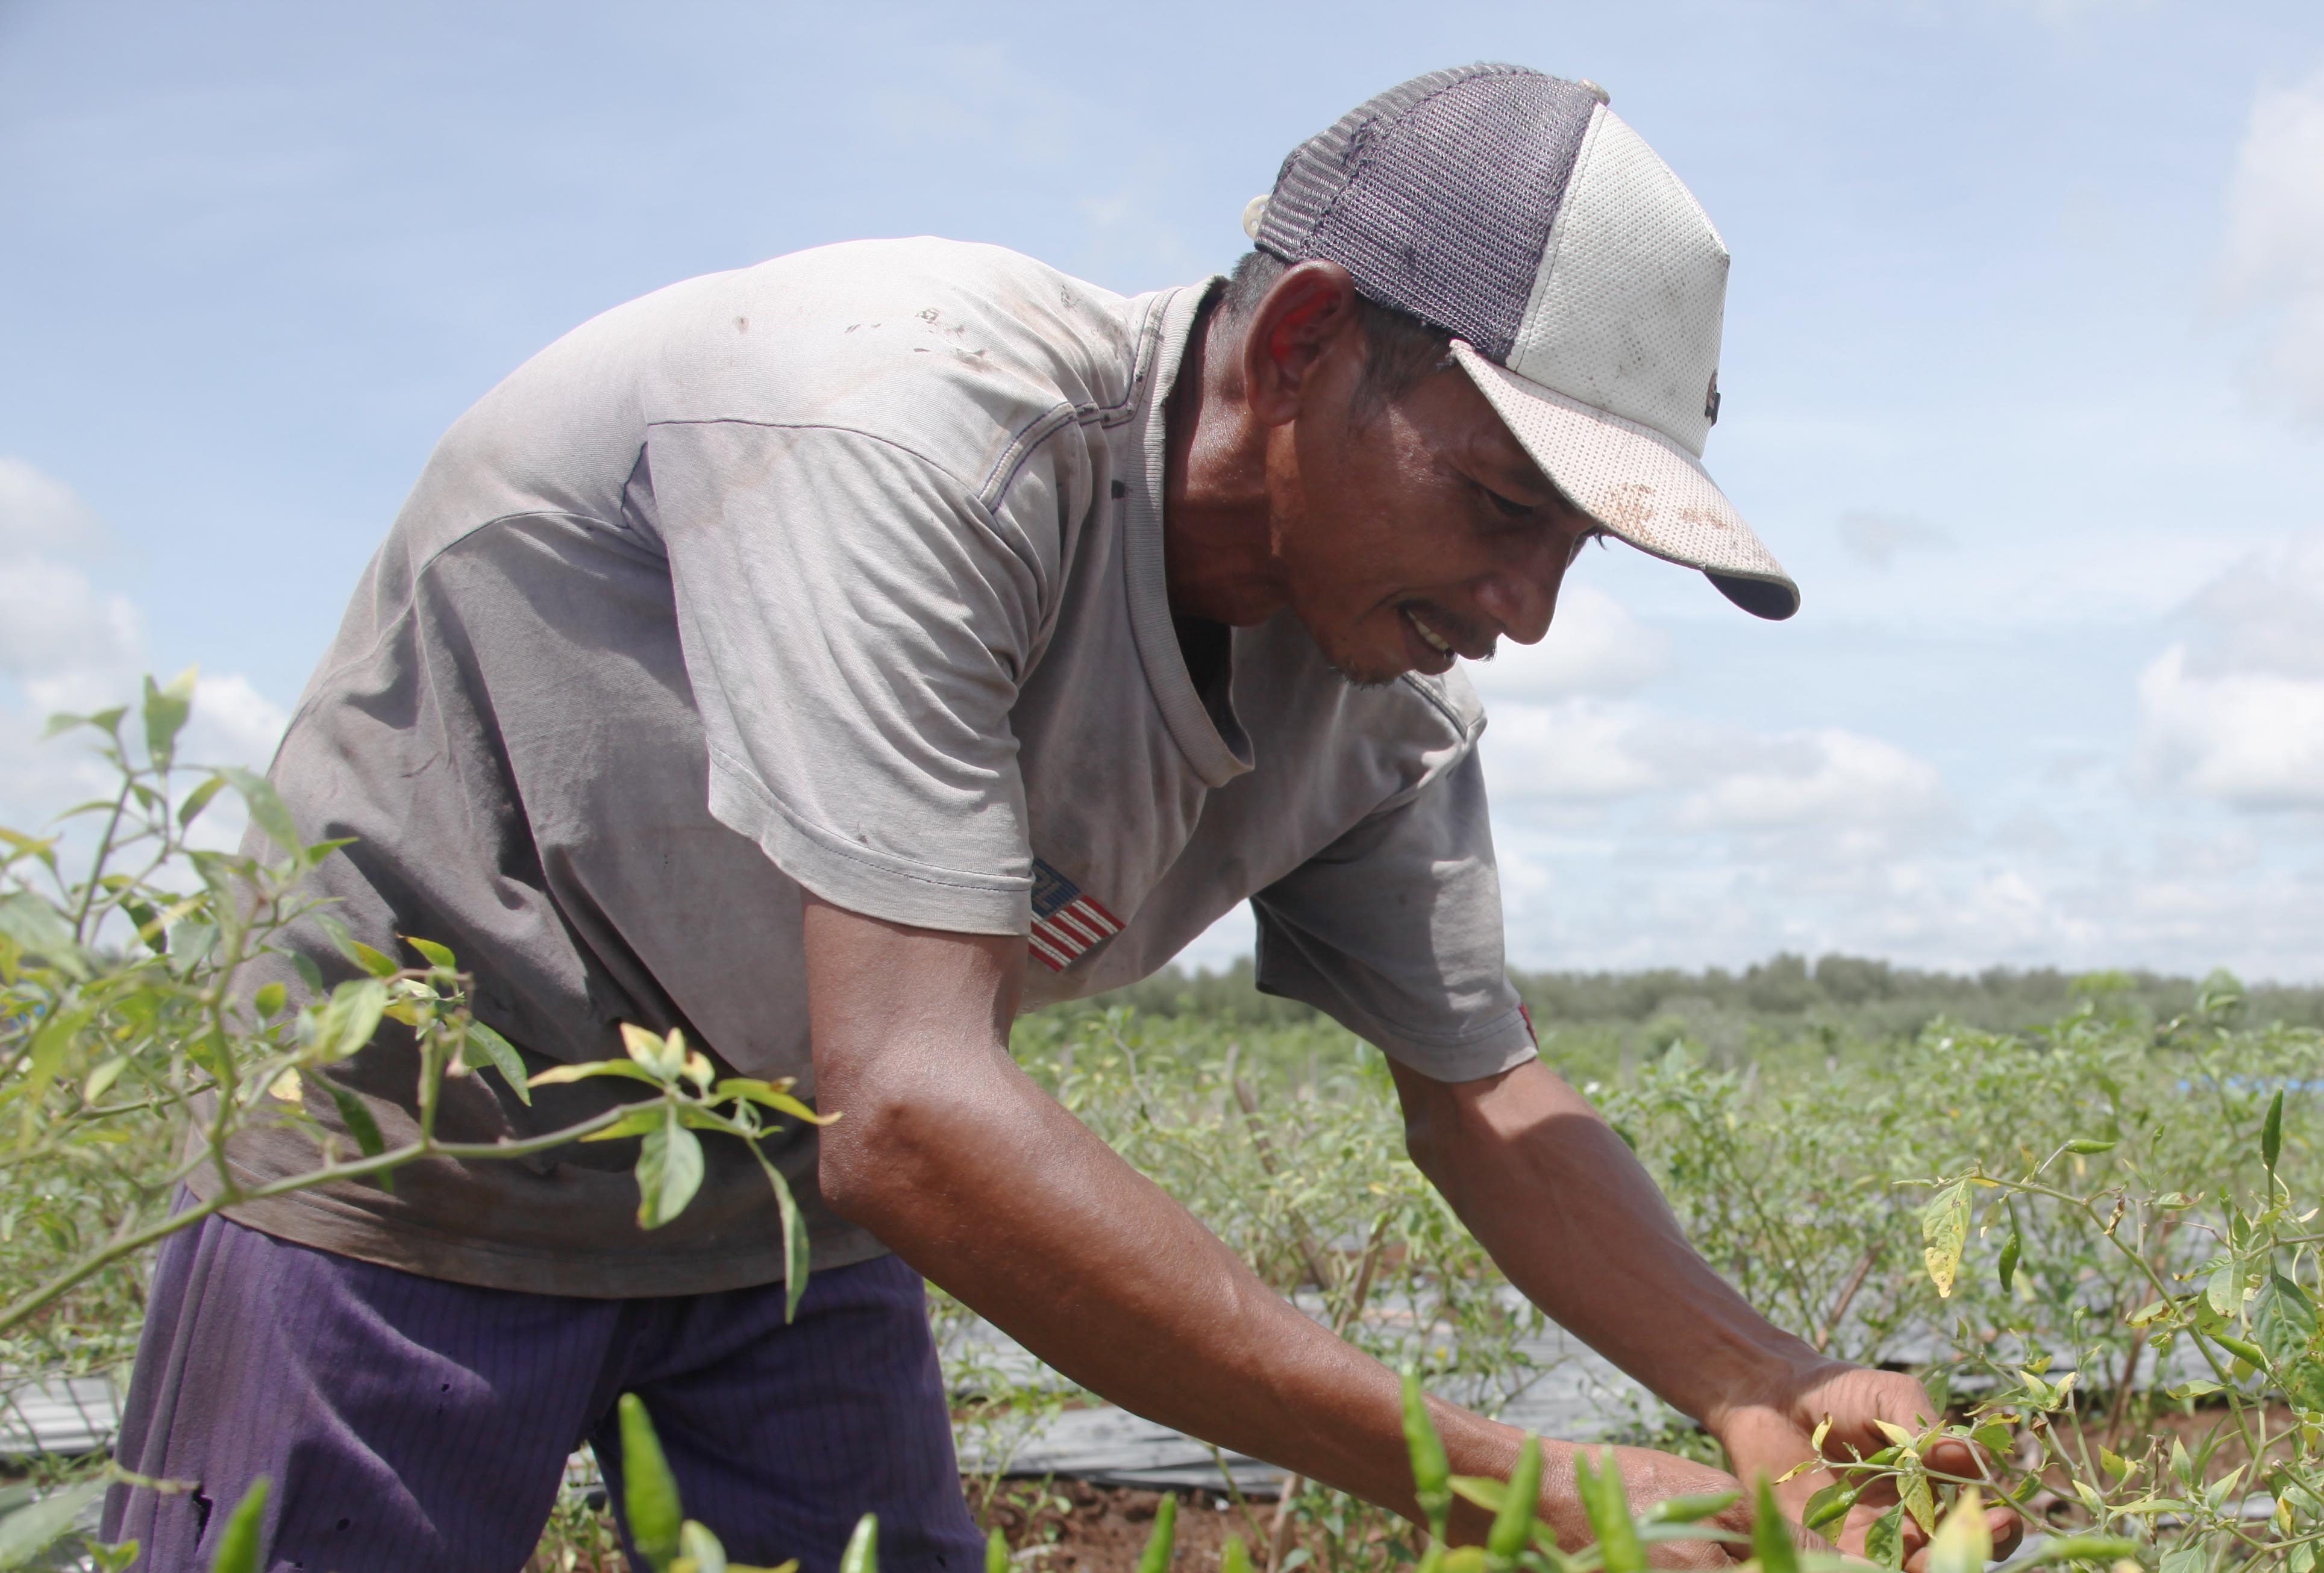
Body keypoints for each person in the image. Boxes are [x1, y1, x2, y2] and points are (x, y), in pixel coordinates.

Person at [104, 63, 2014, 1573]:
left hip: (771, 1185)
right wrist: (1504, 1486)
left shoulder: (1379, 685)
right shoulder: (903, 419)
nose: (1528, 607)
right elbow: (920, 1111)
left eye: (1574, 545)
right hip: (407, 1158)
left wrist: (1778, 1386)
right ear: (1301, 348)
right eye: (1504, 504)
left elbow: (1489, 1101)